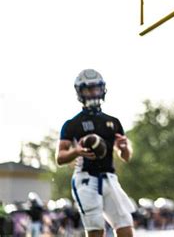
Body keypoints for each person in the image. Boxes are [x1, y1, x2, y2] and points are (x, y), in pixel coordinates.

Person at [56, 69, 135, 237]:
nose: (93, 92)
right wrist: (76, 151)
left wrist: (123, 147)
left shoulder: (113, 122)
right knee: (96, 230)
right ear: (80, 92)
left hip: (109, 178)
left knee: (125, 226)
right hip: (86, 179)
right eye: (89, 89)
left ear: (103, 89)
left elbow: (126, 157)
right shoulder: (73, 124)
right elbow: (60, 157)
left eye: (96, 88)